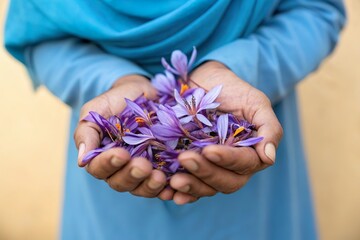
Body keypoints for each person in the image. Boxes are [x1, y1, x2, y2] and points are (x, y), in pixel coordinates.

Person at [4, 0, 346, 239]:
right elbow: (42, 31)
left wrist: (241, 66)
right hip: (118, 138)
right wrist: (112, 81)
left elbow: (315, 8)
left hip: (241, 126)